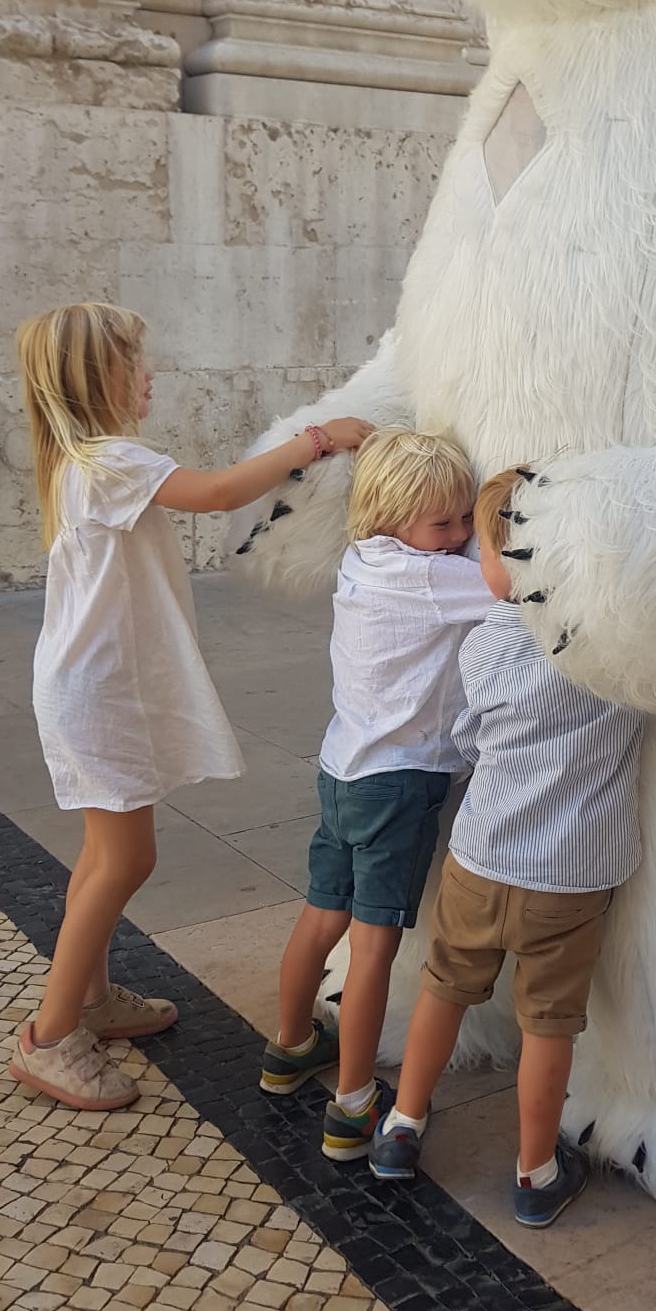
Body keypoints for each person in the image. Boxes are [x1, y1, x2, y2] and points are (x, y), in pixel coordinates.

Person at [8, 300, 371, 1112]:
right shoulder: (112, 461)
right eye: (137, 361)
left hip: (90, 687)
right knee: (125, 859)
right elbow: (213, 493)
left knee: (105, 856)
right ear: (97, 376)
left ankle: (91, 999)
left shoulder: (84, 463)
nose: (151, 374)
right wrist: (317, 440)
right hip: (97, 693)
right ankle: (50, 1035)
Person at [369, 467, 645, 1227]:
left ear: (501, 564)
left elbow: (468, 738)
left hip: (480, 861)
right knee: (548, 1023)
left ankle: (403, 1125)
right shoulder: (607, 656)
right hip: (571, 877)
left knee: (444, 987)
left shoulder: (485, 645)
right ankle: (534, 1171)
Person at [258, 430, 491, 1161]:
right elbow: (507, 585)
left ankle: (290, 1045)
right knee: (373, 946)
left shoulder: (365, 558)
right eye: (445, 524)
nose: (458, 538)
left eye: (464, 520)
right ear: (393, 517)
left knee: (320, 915)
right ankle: (353, 1104)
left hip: (341, 769)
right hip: (401, 780)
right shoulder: (435, 577)